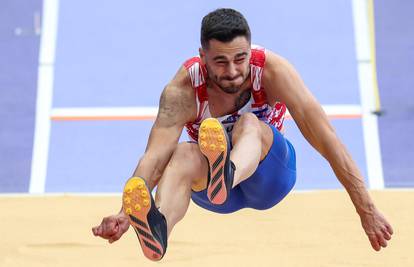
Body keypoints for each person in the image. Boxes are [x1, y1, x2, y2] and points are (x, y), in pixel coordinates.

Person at [92, 8, 393, 261]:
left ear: (250, 50)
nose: (233, 71)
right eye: (220, 62)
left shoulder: (272, 71)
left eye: (240, 58)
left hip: (270, 178)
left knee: (248, 123)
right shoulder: (182, 90)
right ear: (203, 57)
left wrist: (365, 209)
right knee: (183, 153)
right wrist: (125, 213)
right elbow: (155, 156)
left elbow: (326, 138)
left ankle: (228, 173)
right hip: (214, 193)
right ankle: (159, 231)